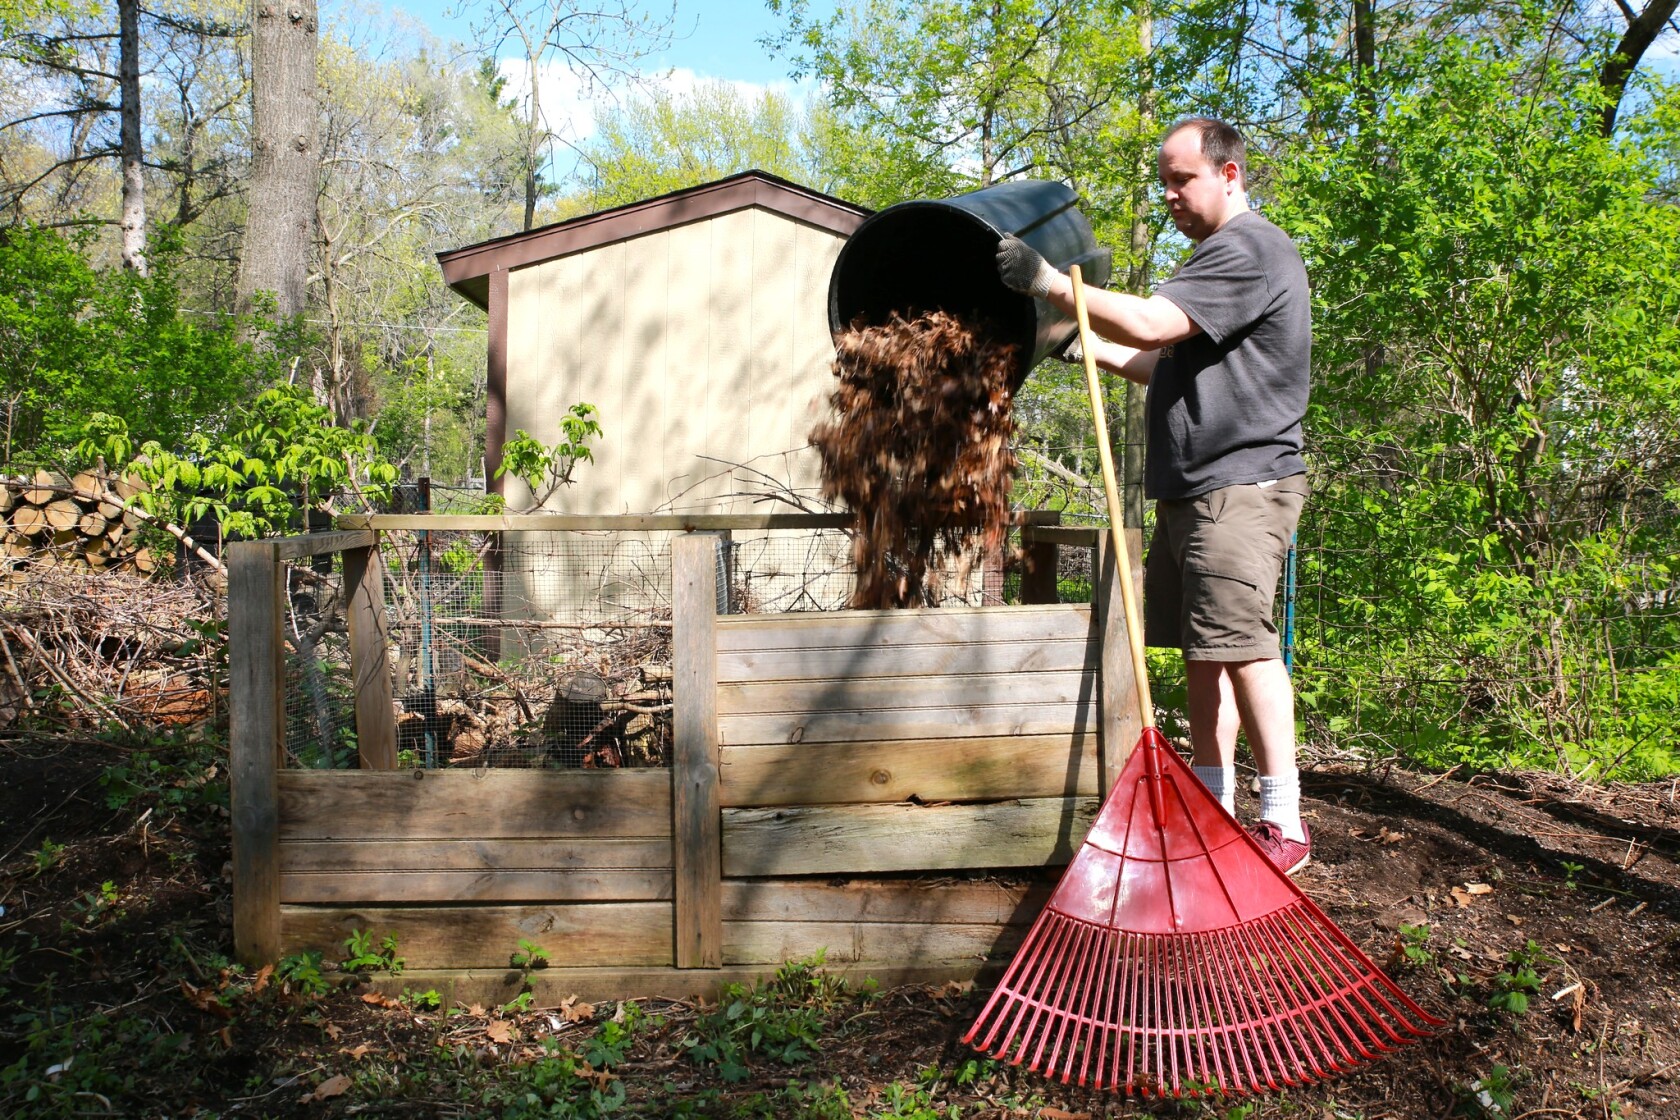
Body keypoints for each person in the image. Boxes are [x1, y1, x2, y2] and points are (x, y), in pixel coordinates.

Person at [994, 117, 1314, 874]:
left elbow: (1149, 322)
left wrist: (1050, 283)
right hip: (1196, 490)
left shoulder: (1247, 249)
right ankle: (1212, 803)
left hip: (1238, 485)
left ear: (1230, 174)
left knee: (1245, 646)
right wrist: (1087, 347)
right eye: (1163, 181)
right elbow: (1161, 363)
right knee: (1207, 651)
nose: (1168, 194)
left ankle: (1284, 820)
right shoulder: (1216, 259)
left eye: (1182, 179)